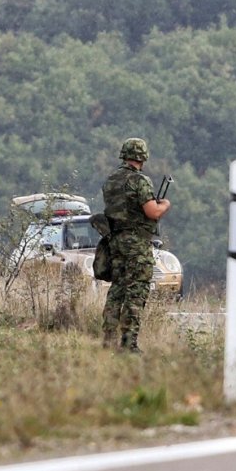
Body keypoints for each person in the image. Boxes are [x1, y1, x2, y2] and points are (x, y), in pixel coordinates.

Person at [99, 136, 171, 353]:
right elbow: (152, 211)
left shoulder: (111, 180)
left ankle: (108, 339)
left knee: (117, 289)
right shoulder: (140, 181)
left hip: (115, 241)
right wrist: (165, 205)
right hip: (136, 243)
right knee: (136, 290)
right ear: (142, 157)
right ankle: (129, 343)